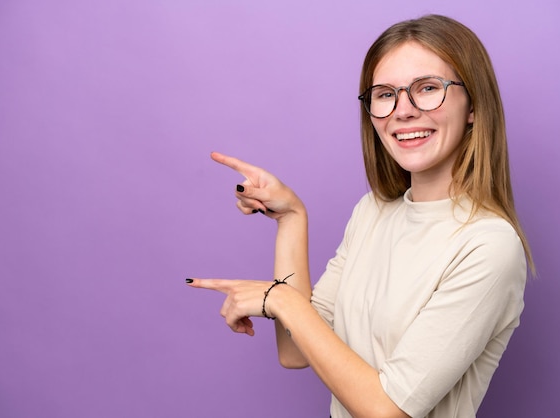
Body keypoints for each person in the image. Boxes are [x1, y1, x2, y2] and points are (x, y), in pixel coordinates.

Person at [186, 14, 533, 418]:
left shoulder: (489, 246)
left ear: (473, 105)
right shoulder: (373, 211)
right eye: (385, 94)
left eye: (427, 88)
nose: (403, 111)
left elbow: (388, 411)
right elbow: (296, 349)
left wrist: (281, 299)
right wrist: (291, 219)